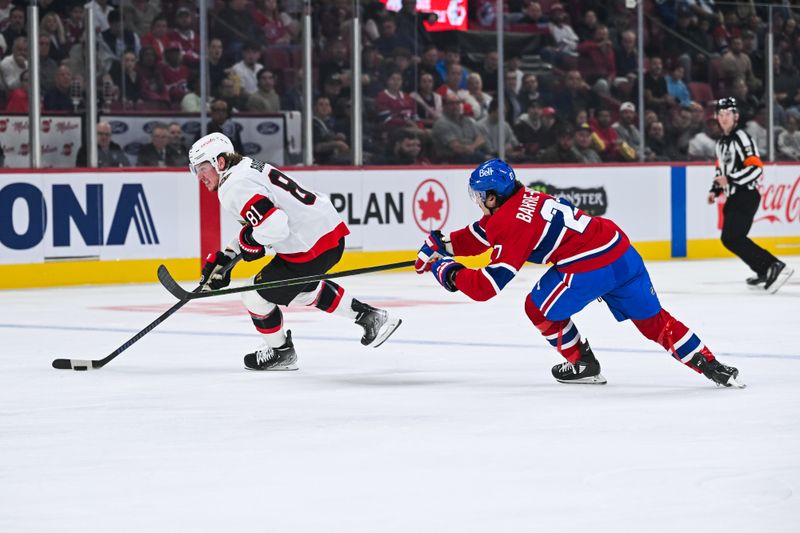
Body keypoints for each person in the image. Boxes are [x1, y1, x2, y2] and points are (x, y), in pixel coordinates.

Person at [415, 158, 745, 388]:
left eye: (478, 196)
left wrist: (444, 268)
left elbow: (486, 285)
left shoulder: (510, 221)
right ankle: (711, 365)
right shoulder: (523, 197)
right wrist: (442, 242)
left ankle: (583, 364)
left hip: (588, 268)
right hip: (621, 253)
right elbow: (483, 233)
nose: (476, 202)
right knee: (654, 321)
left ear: (492, 196)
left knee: (536, 307)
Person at [187, 132, 401, 370]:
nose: (199, 177)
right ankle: (369, 317)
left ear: (220, 162)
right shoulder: (246, 167)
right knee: (303, 290)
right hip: (326, 236)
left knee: (255, 295)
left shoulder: (233, 186)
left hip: (306, 246)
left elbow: (274, 227)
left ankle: (281, 353)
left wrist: (249, 244)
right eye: (195, 170)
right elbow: (260, 223)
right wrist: (229, 254)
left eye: (202, 168)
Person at [708, 97, 793, 293]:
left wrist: (731, 179)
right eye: (720, 114)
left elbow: (756, 168)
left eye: (728, 114)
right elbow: (721, 170)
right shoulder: (721, 142)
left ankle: (773, 265)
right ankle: (764, 269)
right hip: (734, 197)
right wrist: (715, 189)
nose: (724, 118)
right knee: (732, 238)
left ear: (736, 116)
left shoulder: (742, 137)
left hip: (746, 195)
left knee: (732, 237)